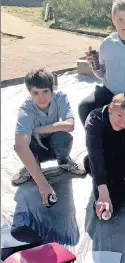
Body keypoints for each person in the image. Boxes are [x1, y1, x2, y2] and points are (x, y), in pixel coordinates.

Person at [12, 68, 85, 206]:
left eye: (45, 91)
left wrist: (38, 130)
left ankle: (64, 161)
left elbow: (70, 125)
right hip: (36, 148)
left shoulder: (60, 98)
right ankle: (31, 168)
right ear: (30, 93)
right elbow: (21, 146)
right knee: (22, 143)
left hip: (55, 144)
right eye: (36, 93)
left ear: (52, 89)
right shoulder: (26, 108)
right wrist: (43, 185)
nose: (41, 97)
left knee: (64, 136)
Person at [84, 93, 125, 220]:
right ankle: (107, 185)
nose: (122, 122)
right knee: (107, 206)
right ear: (110, 108)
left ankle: (124, 180)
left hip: (123, 156)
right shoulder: (94, 119)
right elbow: (95, 153)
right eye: (120, 115)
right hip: (103, 159)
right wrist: (103, 190)